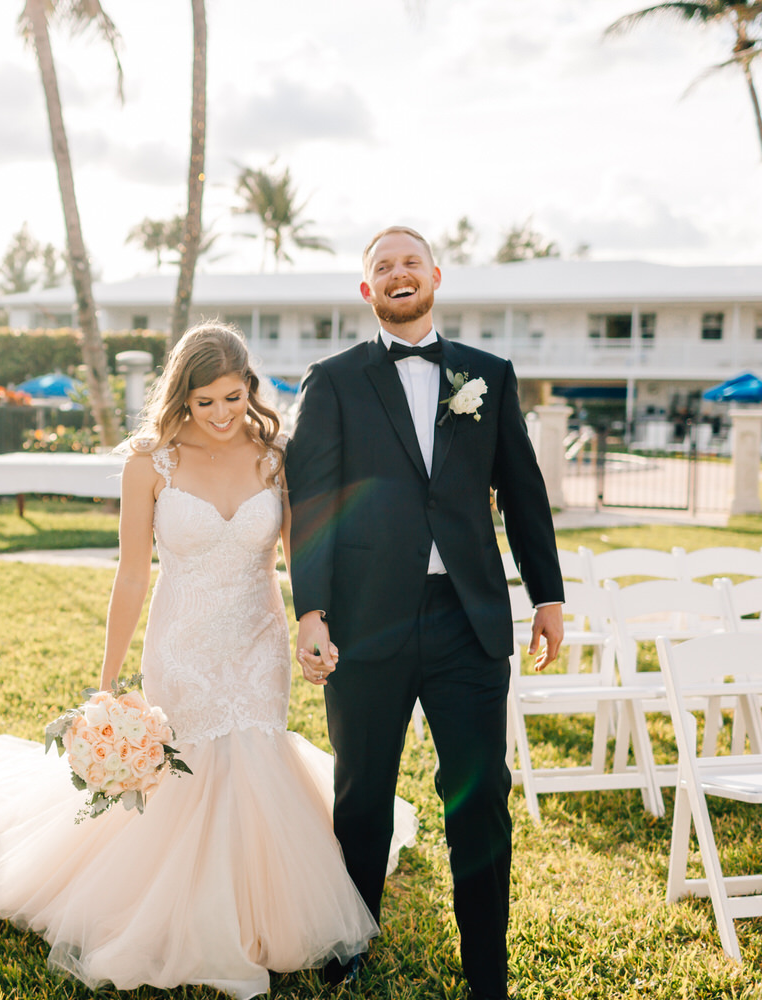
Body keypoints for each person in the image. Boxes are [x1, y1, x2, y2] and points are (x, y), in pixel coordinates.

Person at [0, 322, 415, 999]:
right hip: (181, 639)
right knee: (186, 770)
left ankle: (255, 913)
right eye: (205, 401)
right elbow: (131, 574)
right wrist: (107, 683)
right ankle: (185, 916)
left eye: (233, 399)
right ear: (182, 394)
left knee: (252, 759)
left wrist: (313, 623)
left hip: (256, 638)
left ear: (251, 391)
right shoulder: (148, 462)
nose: (220, 415)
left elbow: (302, 554)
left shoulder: (276, 457)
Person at [285, 226, 566, 1000]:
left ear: (435, 276)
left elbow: (524, 492)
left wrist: (546, 594)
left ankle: (487, 974)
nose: (399, 274)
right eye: (383, 267)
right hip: (364, 622)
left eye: (411, 261)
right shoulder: (333, 381)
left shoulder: (489, 375)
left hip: (467, 621)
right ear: (367, 291)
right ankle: (347, 949)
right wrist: (311, 611)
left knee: (479, 799)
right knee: (363, 794)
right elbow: (311, 505)